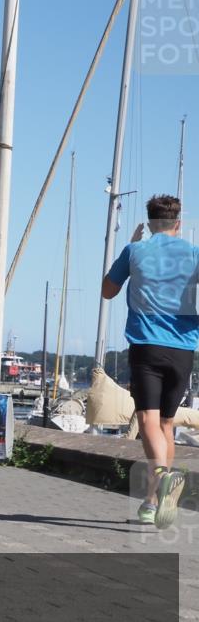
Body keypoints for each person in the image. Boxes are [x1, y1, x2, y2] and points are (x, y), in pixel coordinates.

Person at [102, 195, 196, 528]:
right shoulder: (194, 254)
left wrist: (129, 248)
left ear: (149, 221)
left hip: (147, 346)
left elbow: (108, 291)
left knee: (148, 422)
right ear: (178, 224)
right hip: (184, 350)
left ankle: (162, 475)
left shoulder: (135, 251)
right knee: (166, 424)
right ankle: (152, 502)